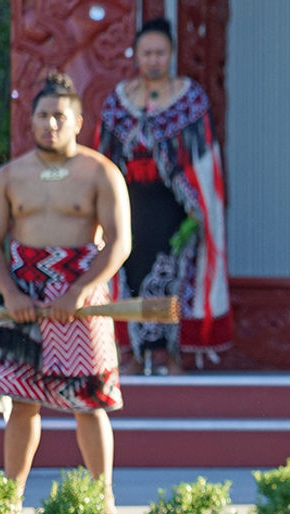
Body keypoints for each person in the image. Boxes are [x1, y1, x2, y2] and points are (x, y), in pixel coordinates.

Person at [0, 72, 132, 514]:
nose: (50, 124)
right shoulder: (9, 176)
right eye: (43, 116)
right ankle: (10, 500)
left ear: (77, 121)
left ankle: (103, 498)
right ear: (31, 121)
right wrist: (10, 292)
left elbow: (120, 242)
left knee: (90, 401)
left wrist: (79, 292)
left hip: (82, 297)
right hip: (23, 294)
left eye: (59, 116)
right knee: (21, 401)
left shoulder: (101, 172)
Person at [96, 17, 232, 375]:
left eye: (160, 52)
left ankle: (168, 353)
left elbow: (205, 163)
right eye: (147, 53)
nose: (153, 59)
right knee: (128, 274)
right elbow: (104, 160)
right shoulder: (118, 102)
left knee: (172, 276)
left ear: (170, 54)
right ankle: (129, 351)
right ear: (136, 56)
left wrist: (196, 212)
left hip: (175, 208)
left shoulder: (191, 99)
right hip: (130, 206)